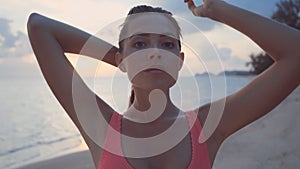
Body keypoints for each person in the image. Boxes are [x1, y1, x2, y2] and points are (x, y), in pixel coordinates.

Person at [27, 0, 300, 168]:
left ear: (179, 61)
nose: (155, 52)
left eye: (166, 44)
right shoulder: (100, 124)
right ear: (121, 59)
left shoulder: (207, 126)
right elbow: (40, 27)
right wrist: (124, 60)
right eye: (141, 43)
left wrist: (220, 9)